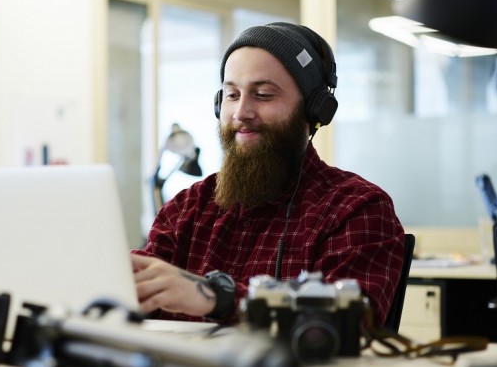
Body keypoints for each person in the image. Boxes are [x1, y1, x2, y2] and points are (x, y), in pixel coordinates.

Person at [131, 22, 405, 327]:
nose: (241, 113)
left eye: (263, 95)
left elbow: (349, 321)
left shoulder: (356, 208)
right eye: (232, 95)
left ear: (313, 111)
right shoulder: (186, 209)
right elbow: (134, 302)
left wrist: (216, 297)